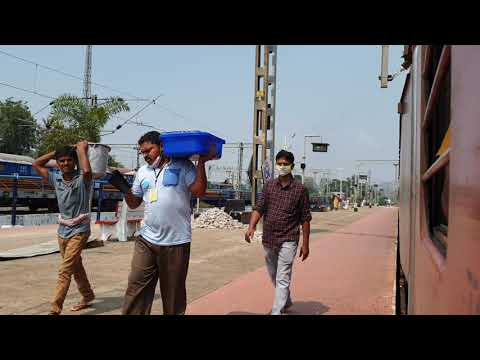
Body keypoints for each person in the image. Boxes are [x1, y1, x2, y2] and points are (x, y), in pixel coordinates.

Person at [108, 131, 215, 315]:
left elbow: (199, 192)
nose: (146, 155)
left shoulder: (183, 165)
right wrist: (124, 188)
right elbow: (134, 203)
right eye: (142, 152)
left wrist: (202, 163)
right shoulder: (142, 172)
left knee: (173, 295)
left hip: (176, 241)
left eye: (149, 150)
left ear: (162, 147)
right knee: (136, 287)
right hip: (146, 239)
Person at [245, 150, 312, 315]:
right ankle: (286, 300)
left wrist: (305, 244)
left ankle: (276, 310)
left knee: (283, 275)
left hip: (289, 238)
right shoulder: (268, 187)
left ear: (292, 166)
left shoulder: (300, 190)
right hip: (269, 239)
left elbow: (305, 218)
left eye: (285, 164)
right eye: (279, 164)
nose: (282, 167)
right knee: (274, 274)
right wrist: (251, 227)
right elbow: (259, 208)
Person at [33, 140, 95, 315]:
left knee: (65, 269)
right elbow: (36, 163)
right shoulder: (55, 178)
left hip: (80, 229)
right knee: (75, 266)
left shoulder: (83, 180)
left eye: (69, 160)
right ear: (58, 163)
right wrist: (55, 153)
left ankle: (55, 308)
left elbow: (88, 170)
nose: (65, 163)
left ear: (75, 161)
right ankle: (88, 295)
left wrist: (81, 150)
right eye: (62, 161)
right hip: (63, 231)